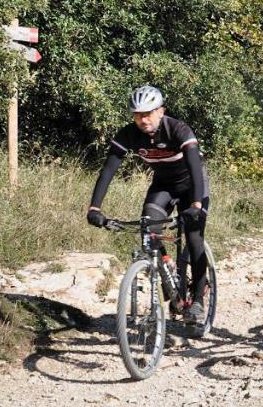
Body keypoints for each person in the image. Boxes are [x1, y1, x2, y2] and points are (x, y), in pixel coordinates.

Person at [87, 85, 211, 327]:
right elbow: (108, 170)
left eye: (148, 114)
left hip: (193, 185)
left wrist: (196, 204)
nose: (143, 120)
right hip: (163, 186)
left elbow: (196, 168)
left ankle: (197, 300)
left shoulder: (178, 129)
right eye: (137, 115)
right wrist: (95, 208)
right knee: (148, 230)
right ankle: (168, 273)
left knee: (194, 237)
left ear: (160, 111)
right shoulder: (129, 135)